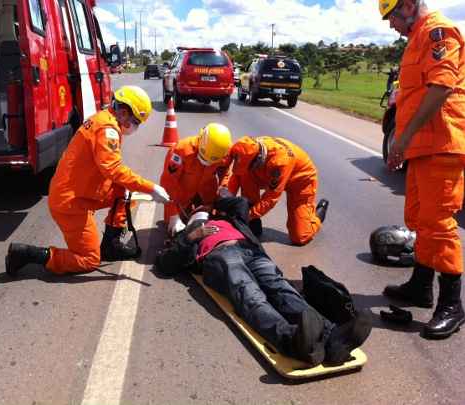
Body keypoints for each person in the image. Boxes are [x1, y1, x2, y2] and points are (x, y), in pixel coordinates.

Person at [155, 196, 372, 366]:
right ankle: (291, 341)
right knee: (251, 295)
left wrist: (215, 201)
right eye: (196, 210)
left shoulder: (231, 220)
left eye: (203, 210)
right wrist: (192, 235)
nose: (201, 211)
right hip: (220, 256)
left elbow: (240, 203)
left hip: (250, 251)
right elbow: (164, 265)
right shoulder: (188, 233)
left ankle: (332, 339)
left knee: (281, 287)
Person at [5, 86, 170, 276]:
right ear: (123, 113)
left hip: (79, 192)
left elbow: (110, 170)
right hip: (70, 203)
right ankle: (30, 255)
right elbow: (114, 169)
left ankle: (111, 245)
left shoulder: (104, 118)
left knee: (125, 193)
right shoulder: (107, 128)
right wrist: (151, 188)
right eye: (135, 122)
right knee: (89, 259)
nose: (135, 127)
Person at [380, 0, 465, 339]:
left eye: (392, 17)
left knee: (438, 223)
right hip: (422, 147)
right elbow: (417, 91)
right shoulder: (416, 39)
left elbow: (442, 87)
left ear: (410, 5)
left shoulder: (437, 32)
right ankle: (420, 286)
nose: (391, 26)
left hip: (443, 143)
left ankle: (452, 305)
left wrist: (403, 138)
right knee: (418, 218)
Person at [227, 136, 328, 245]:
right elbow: (237, 176)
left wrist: (247, 216)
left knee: (300, 237)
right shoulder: (249, 148)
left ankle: (316, 216)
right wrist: (224, 203)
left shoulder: (279, 162)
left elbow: (270, 200)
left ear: (258, 160)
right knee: (245, 176)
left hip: (300, 181)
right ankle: (253, 223)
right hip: (267, 171)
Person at [160, 123, 232, 236]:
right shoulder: (180, 150)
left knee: (212, 223)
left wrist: (223, 189)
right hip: (182, 193)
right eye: (203, 158)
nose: (206, 163)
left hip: (206, 192)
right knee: (174, 231)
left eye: (210, 162)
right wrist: (173, 213)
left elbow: (225, 172)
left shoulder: (223, 152)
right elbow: (168, 183)